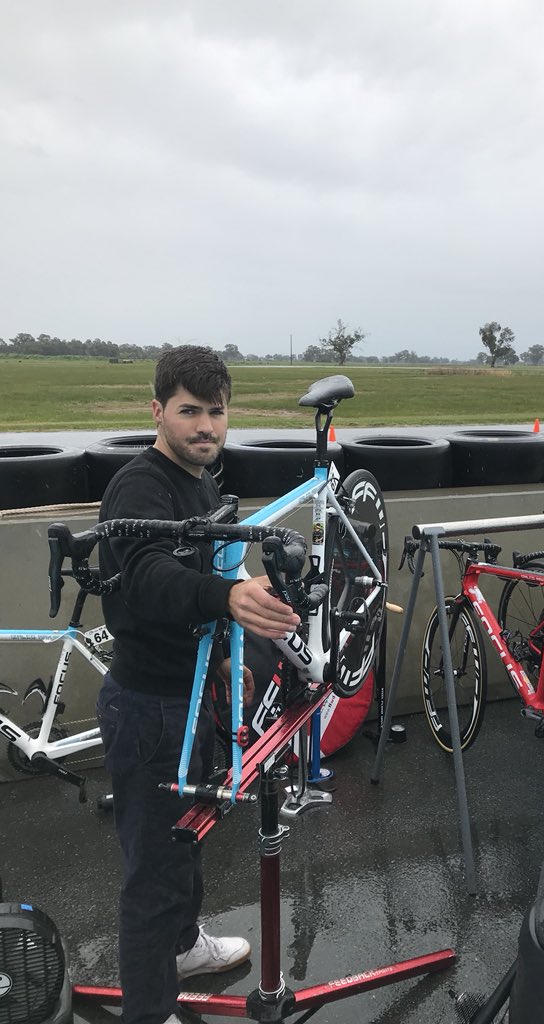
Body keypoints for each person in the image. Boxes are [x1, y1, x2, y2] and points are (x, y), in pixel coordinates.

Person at [95, 345, 300, 1024]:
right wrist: (229, 599)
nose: (206, 426)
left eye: (216, 412)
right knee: (152, 881)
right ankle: (147, 1013)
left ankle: (184, 949)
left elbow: (209, 571)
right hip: (150, 708)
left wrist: (226, 653)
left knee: (187, 841)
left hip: (193, 695)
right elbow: (150, 576)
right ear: (157, 411)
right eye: (190, 412)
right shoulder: (140, 487)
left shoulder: (204, 484)